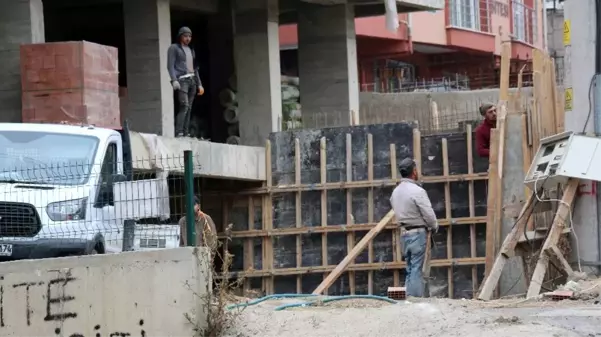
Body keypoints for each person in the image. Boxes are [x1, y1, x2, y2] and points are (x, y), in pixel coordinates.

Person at [390, 157, 438, 297]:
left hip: (404, 234)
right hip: (418, 234)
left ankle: (408, 298)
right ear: (414, 171)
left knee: (410, 268)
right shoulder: (417, 191)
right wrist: (434, 226)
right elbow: (429, 214)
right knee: (417, 268)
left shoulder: (396, 192)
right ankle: (415, 300)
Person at [167, 26, 205, 138]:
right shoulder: (174, 48)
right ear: (180, 36)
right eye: (185, 36)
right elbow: (170, 66)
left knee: (189, 107)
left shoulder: (191, 50)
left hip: (192, 80)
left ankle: (186, 131)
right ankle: (179, 132)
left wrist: (200, 84)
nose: (188, 38)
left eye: (189, 36)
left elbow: (195, 68)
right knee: (184, 105)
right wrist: (174, 80)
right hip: (182, 79)